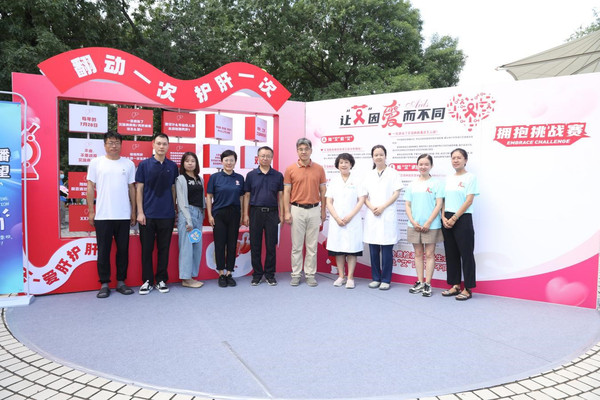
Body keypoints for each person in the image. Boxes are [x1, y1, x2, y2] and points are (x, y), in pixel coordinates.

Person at [86, 131, 136, 298]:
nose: (114, 145)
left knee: (123, 250)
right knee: (103, 251)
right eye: (110, 142)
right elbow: (90, 187)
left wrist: (133, 210)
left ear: (121, 145)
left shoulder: (128, 164)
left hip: (123, 215)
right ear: (104, 145)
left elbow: (132, 188)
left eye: (116, 142)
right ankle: (104, 283)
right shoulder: (96, 163)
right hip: (103, 215)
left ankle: (121, 282)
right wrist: (91, 211)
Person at [136, 133, 178, 295]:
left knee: (164, 249)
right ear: (153, 145)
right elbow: (139, 189)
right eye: (159, 143)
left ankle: (161, 280)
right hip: (147, 215)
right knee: (146, 250)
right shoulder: (144, 165)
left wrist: (174, 210)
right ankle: (147, 281)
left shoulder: (172, 166)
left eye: (164, 144)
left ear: (168, 146)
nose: (161, 146)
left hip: (167, 215)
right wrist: (140, 212)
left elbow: (173, 189)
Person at [283, 138, 327, 287]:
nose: (304, 152)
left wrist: (323, 211)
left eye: (306, 149)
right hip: (297, 210)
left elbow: (323, 191)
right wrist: (287, 212)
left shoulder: (319, 169)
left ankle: (310, 274)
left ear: (311, 150)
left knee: (312, 246)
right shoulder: (290, 169)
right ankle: (296, 274)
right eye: (301, 149)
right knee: (296, 246)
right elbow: (286, 192)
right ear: (297, 151)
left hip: (314, 209)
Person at [441, 148, 479, 301]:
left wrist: (455, 217)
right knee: (451, 254)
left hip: (462, 218)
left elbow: (469, 200)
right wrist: (443, 217)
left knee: (466, 254)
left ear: (465, 160)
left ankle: (468, 288)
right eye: (453, 158)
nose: (455, 160)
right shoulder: (448, 178)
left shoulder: (470, 177)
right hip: (447, 218)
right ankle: (455, 285)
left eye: (459, 157)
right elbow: (443, 199)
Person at [363, 145, 402, 290]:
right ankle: (375, 278)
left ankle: (386, 279)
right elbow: (364, 196)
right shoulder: (369, 175)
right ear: (372, 157)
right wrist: (372, 207)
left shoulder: (393, 173)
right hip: (373, 214)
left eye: (381, 154)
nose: (378, 157)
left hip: (386, 214)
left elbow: (396, 193)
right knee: (373, 250)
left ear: (385, 156)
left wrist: (382, 207)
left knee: (386, 250)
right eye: (376, 155)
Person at [243, 146, 284, 286]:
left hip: (272, 213)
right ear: (258, 158)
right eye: (262, 156)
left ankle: (270, 274)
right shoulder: (251, 175)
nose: (265, 158)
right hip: (255, 212)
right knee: (255, 245)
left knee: (271, 246)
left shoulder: (278, 175)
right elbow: (247, 196)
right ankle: (257, 274)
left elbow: (281, 196)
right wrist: (245, 214)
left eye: (268, 156)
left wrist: (282, 213)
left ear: (272, 158)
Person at [404, 154, 444, 297]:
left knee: (430, 254)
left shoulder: (437, 184)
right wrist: (413, 221)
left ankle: (428, 284)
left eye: (426, 164)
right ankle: (420, 282)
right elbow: (407, 205)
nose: (423, 167)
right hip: (414, 225)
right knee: (418, 254)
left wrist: (428, 222)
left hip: (431, 225)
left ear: (431, 166)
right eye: (421, 164)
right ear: (417, 166)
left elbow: (439, 204)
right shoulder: (412, 184)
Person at [325, 153, 365, 289]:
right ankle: (341, 276)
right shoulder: (333, 181)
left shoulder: (357, 180)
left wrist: (350, 216)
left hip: (352, 220)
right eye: (341, 162)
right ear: (337, 165)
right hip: (336, 220)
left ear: (351, 164)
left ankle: (350, 278)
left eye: (346, 162)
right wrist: (337, 218)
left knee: (352, 250)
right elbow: (328, 201)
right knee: (339, 249)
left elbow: (361, 200)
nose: (344, 165)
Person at [206, 149, 245, 288]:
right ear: (222, 161)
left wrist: (242, 214)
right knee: (220, 244)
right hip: (219, 214)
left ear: (235, 162)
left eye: (231, 160)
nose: (229, 163)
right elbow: (209, 196)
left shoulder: (240, 178)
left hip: (234, 214)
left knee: (232, 244)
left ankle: (229, 273)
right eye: (226, 160)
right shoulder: (215, 177)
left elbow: (241, 198)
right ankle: (221, 273)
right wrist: (209, 215)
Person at [176, 152, 205, 288]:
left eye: (193, 161)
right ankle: (185, 278)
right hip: (187, 214)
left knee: (196, 247)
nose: (190, 163)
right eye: (187, 161)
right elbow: (181, 201)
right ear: (183, 163)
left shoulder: (200, 179)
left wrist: (202, 215)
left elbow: (202, 198)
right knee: (186, 248)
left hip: (198, 214)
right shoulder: (181, 179)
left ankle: (192, 276)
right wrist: (188, 219)